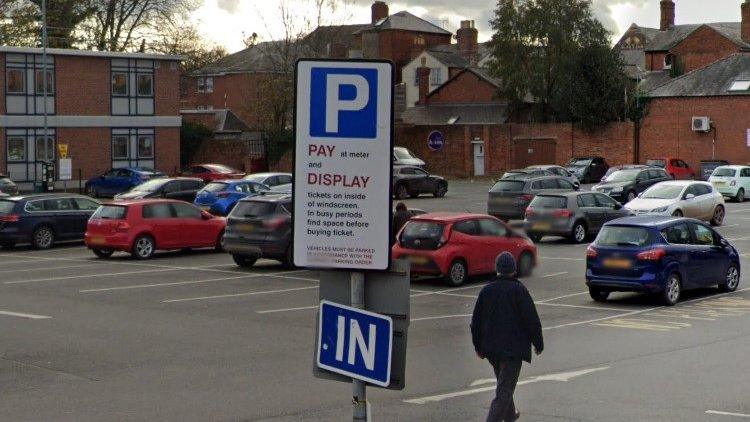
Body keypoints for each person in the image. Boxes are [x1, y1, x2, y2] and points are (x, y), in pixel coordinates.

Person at [471, 252, 544, 422]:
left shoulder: (487, 290)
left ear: (497, 269)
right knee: (504, 389)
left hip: (491, 350)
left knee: (504, 384)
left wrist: (478, 347)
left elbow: (476, 322)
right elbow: (531, 320)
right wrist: (538, 343)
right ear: (513, 270)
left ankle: (510, 415)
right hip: (512, 350)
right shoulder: (519, 290)